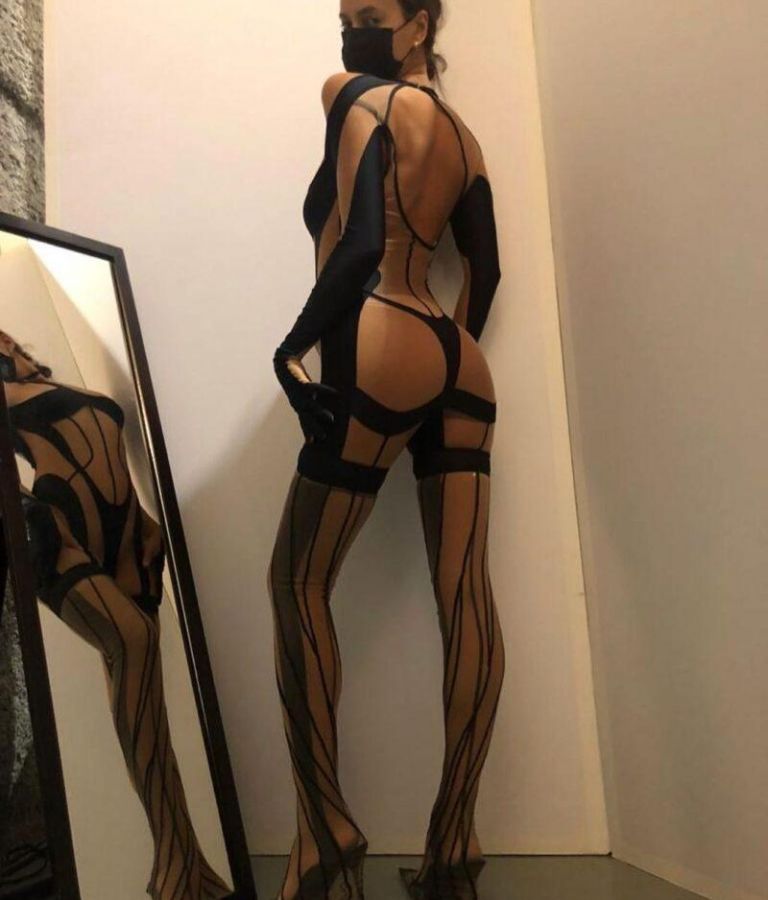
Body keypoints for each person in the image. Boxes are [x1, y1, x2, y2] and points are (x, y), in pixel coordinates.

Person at [267, 2, 506, 898]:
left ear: (417, 27)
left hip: (375, 328)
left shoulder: (352, 93)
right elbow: (486, 269)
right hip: (458, 357)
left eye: (368, 15)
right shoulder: (465, 139)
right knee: (466, 592)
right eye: (344, 16)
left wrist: (293, 346)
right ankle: (455, 844)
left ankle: (324, 831)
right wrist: (446, 353)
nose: (349, 32)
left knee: (295, 582)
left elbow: (363, 240)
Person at [0, 330, 231, 900]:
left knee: (149, 703)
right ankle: (175, 865)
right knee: (132, 643)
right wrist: (31, 515)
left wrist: (146, 521)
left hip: (126, 534)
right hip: (58, 537)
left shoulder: (48, 382)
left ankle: (184, 865)